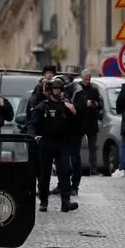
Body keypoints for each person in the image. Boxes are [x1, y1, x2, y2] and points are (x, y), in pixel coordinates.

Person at [28, 77, 79, 213]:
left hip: (62, 143)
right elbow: (32, 125)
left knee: (64, 171)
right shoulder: (42, 107)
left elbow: (75, 126)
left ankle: (65, 202)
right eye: (55, 89)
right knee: (44, 173)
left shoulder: (66, 106)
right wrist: (34, 136)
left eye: (59, 89)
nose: (57, 91)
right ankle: (43, 201)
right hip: (46, 143)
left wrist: (73, 112)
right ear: (50, 91)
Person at [72, 69, 103, 181]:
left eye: (89, 79)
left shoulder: (94, 90)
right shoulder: (77, 89)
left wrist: (95, 104)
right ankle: (75, 168)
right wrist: (85, 104)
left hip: (91, 121)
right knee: (76, 146)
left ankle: (93, 169)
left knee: (92, 147)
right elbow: (73, 104)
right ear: (82, 78)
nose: (87, 81)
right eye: (86, 79)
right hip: (79, 121)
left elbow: (100, 104)